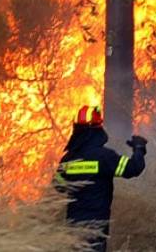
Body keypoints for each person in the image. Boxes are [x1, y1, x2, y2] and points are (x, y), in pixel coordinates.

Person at [55, 105, 148, 252]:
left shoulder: (67, 159)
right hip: (96, 227)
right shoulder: (104, 157)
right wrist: (139, 149)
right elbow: (133, 168)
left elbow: (58, 186)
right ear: (97, 130)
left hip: (73, 226)